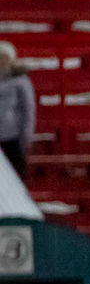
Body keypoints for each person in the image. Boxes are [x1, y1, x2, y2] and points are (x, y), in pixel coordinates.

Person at [0, 42, 36, 181]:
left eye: (5, 58)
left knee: (14, 180)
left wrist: (25, 138)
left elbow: (28, 110)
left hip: (12, 138)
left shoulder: (20, 81)